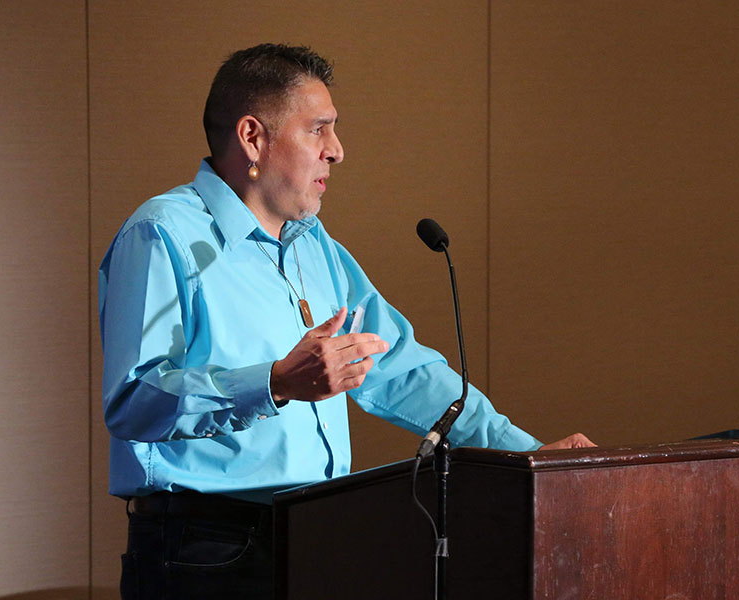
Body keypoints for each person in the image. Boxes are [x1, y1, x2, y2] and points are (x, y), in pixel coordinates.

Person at [99, 43, 594, 600]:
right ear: (253, 137)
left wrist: (523, 456)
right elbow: (133, 399)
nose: (336, 150)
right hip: (204, 549)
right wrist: (274, 384)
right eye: (319, 129)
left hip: (316, 534)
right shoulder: (162, 234)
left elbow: (400, 367)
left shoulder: (315, 246)